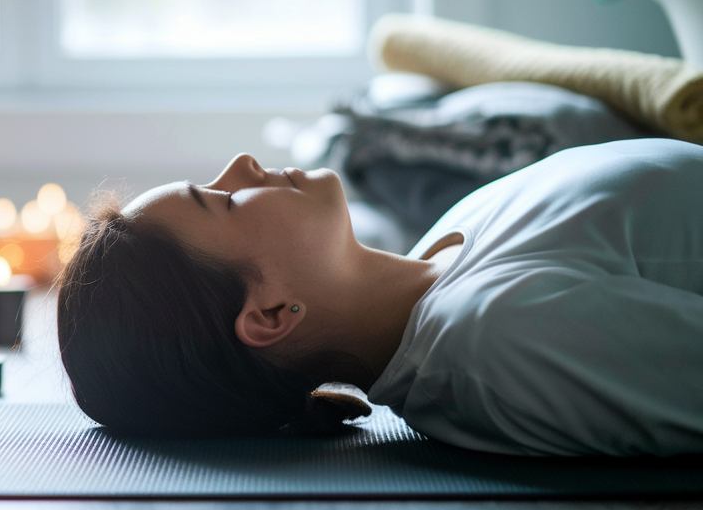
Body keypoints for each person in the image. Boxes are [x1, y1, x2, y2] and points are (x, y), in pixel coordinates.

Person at [56, 138, 703, 456]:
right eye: (223, 198)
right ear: (271, 313)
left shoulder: (439, 254)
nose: (245, 163)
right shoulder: (495, 339)